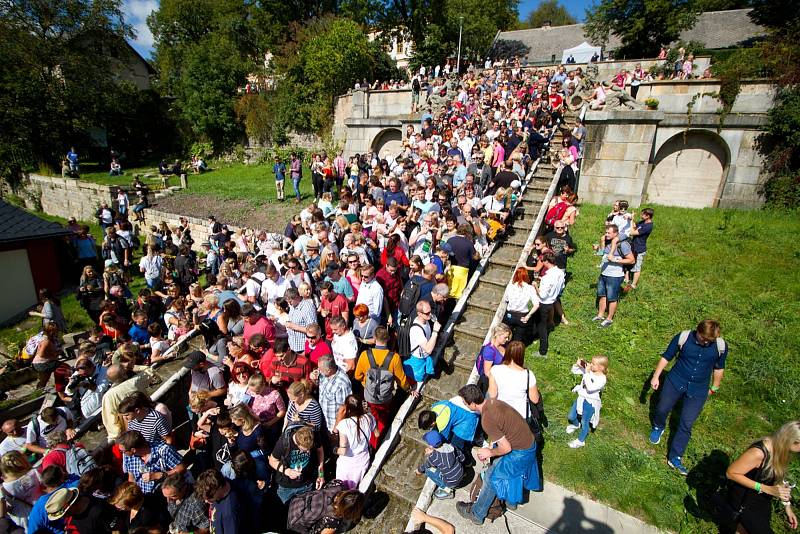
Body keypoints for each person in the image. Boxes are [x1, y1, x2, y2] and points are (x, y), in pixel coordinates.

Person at [649, 320, 728, 475]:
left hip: (699, 389)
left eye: (709, 340)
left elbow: (719, 367)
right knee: (662, 408)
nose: (705, 342)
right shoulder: (683, 337)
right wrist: (656, 376)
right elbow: (667, 357)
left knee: (687, 422)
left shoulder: (720, 346)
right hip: (675, 380)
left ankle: (675, 457)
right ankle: (658, 426)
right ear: (697, 331)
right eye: (703, 338)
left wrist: (714, 387)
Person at [456, 388, 541, 524]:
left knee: (491, 477)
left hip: (520, 453)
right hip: (528, 443)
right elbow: (501, 429)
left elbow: (506, 448)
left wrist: (489, 452)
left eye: (465, 403)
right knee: (498, 467)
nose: (465, 405)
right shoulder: (493, 402)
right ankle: (510, 502)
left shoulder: (486, 419)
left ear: (473, 403)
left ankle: (477, 514)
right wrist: (492, 444)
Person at [724, 421, 799, 533]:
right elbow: (731, 473)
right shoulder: (759, 453)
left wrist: (787, 507)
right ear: (794, 442)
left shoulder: (782, 451)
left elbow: (777, 479)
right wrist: (765, 488)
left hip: (761, 502)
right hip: (744, 502)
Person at [354, 327, 415, 449]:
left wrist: (366, 383)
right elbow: (401, 380)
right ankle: (376, 443)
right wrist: (410, 390)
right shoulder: (394, 357)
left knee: (369, 418)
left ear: (375, 339)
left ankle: (368, 442)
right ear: (388, 339)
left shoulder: (365, 355)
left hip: (369, 397)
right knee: (382, 420)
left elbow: (357, 376)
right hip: (385, 398)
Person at [118, 429, 187, 494]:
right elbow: (131, 478)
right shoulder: (129, 456)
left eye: (122, 451)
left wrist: (159, 475)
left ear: (133, 450)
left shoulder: (163, 450)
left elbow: (182, 468)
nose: (122, 453)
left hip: (162, 493)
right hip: (141, 495)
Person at [592, 224, 634, 328]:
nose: (606, 234)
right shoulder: (607, 241)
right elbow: (603, 254)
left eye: (608, 233)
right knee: (602, 295)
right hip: (604, 273)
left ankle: (609, 319)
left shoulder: (622, 245)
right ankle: (600, 315)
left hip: (615, 276)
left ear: (615, 233)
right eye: (606, 232)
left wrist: (615, 259)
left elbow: (631, 260)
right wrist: (597, 249)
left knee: (612, 298)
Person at [269, 426, 325, 504]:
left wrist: (321, 474)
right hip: (286, 487)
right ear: (296, 443)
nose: (308, 452)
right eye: (304, 450)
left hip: (307, 484)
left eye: (310, 449)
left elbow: (320, 451)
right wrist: (287, 471)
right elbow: (272, 461)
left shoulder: (314, 435)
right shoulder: (284, 442)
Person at [487, 341, 540, 420]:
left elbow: (492, 395)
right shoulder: (528, 375)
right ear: (521, 355)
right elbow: (535, 400)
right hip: (520, 416)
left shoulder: (495, 370)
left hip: (501, 413)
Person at [333, 394, 376, 489]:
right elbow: (376, 433)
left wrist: (334, 450)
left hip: (347, 465)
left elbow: (343, 450)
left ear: (347, 409)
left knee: (342, 490)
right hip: (363, 461)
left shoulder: (344, 424)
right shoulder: (369, 418)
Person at [566, 355, 609, 449]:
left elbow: (590, 388)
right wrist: (577, 365)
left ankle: (581, 441)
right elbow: (573, 371)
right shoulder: (590, 371)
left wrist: (586, 373)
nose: (590, 364)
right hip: (581, 397)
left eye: (593, 364)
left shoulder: (602, 379)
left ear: (601, 367)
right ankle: (576, 425)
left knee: (585, 422)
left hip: (590, 402)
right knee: (571, 416)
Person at [415, 430, 465, 500]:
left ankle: (447, 491)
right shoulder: (451, 446)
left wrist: (419, 470)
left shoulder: (434, 457)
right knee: (445, 468)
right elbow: (462, 458)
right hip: (461, 472)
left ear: (430, 446)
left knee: (428, 471)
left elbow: (426, 465)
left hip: (452, 482)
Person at [44, 486, 118, 534]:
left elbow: (117, 529)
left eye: (63, 514)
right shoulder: (74, 514)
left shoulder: (98, 511)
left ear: (70, 507)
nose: (62, 517)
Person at [0, 451, 41, 528]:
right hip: (44, 511)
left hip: (27, 523)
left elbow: (2, 515)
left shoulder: (3, 489)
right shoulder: (35, 472)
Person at [195, 469, 243, 534]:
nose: (206, 501)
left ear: (219, 487)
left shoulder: (229, 512)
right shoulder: (225, 482)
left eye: (210, 497)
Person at [315, 354, 352, 435]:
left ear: (329, 370)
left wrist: (335, 429)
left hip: (333, 426)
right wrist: (314, 379)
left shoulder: (342, 383)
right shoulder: (324, 374)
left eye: (320, 369)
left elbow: (343, 409)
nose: (318, 371)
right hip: (324, 421)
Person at [624, 207, 654, 292]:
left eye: (642, 214)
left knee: (637, 267)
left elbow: (632, 232)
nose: (641, 215)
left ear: (648, 216)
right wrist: (631, 219)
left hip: (639, 248)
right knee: (629, 261)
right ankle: (626, 279)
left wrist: (632, 221)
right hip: (634, 245)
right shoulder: (643, 222)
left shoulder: (648, 226)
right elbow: (634, 226)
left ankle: (633, 285)